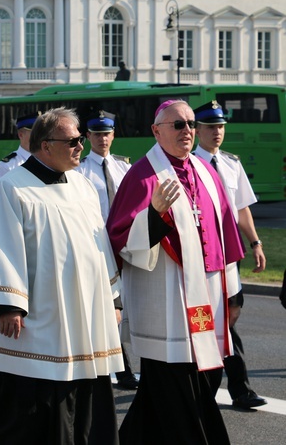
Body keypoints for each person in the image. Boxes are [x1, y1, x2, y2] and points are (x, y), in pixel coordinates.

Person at [0, 108, 123, 444]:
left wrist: (113, 297)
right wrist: (8, 305)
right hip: (41, 315)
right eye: (74, 140)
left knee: (86, 388)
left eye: (81, 140)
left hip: (85, 314)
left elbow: (99, 244)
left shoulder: (83, 186)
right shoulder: (13, 188)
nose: (81, 146)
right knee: (36, 399)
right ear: (46, 145)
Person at [106, 99, 244, 444]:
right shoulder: (142, 175)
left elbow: (226, 233)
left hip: (208, 294)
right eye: (178, 125)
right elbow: (120, 238)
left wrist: (233, 290)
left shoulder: (207, 172)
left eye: (191, 125)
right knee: (175, 380)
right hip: (165, 298)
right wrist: (153, 215)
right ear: (156, 131)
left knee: (196, 380)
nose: (188, 131)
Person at [192, 100, 267, 409]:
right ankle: (211, 390)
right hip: (201, 261)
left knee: (229, 321)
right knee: (204, 324)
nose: (217, 132)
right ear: (197, 130)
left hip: (229, 259)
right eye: (210, 127)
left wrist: (255, 243)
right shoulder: (189, 166)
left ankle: (238, 389)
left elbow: (242, 208)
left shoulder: (232, 164)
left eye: (221, 126)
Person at [75, 112, 139, 390]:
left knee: (129, 305)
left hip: (125, 244)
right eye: (97, 134)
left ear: (113, 135)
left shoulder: (124, 168)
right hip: (96, 244)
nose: (102, 139)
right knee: (106, 306)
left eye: (107, 133)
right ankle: (120, 368)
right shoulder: (79, 170)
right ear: (87, 137)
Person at [0, 114, 37, 183]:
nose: (39, 137)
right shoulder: (7, 166)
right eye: (34, 133)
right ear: (21, 135)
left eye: (41, 133)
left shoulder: (46, 162)